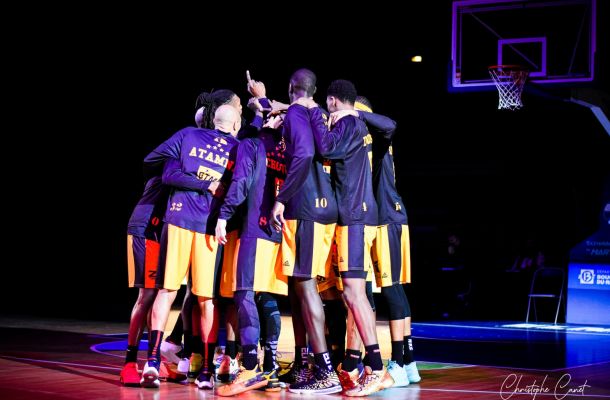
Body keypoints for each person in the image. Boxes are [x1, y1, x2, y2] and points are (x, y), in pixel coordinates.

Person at [139, 104, 242, 389]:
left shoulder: (187, 135)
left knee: (167, 291)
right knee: (205, 299)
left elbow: (162, 169)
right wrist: (208, 185)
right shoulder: (238, 148)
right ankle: (206, 373)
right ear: (235, 125)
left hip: (178, 219)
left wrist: (193, 177)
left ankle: (152, 361)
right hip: (208, 227)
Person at [304, 79, 393, 396]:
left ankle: (377, 368)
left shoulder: (349, 123)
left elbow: (327, 147)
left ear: (332, 101)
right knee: (352, 294)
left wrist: (312, 113)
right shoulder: (358, 124)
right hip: (356, 216)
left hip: (355, 217)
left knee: (355, 294)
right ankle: (360, 365)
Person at [270, 68, 342, 395]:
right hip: (326, 204)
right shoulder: (321, 113)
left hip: (306, 207)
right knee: (303, 287)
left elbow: (304, 153)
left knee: (306, 285)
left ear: (291, 88)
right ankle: (309, 364)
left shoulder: (297, 113)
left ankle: (325, 370)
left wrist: (281, 198)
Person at [214, 108, 289, 395]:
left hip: (255, 228)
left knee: (244, 293)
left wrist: (224, 215)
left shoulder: (252, 144)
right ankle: (270, 368)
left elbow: (241, 182)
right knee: (266, 295)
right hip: (279, 231)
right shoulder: (288, 149)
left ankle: (249, 367)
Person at [120, 166, 171, 386]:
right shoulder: (172, 166)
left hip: (165, 233)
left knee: (162, 294)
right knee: (147, 294)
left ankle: (154, 358)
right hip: (146, 230)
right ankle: (130, 362)